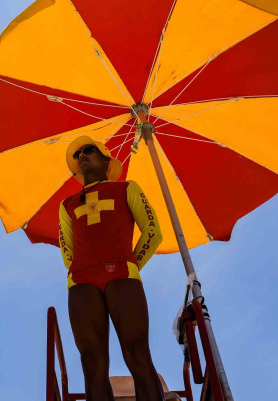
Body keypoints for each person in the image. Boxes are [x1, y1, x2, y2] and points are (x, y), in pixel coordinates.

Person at [59, 135, 164, 401]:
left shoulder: (127, 187)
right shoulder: (67, 204)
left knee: (137, 353)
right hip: (81, 282)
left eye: (88, 150)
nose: (81, 156)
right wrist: (80, 272)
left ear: (106, 159)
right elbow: (67, 249)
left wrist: (129, 264)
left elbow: (153, 232)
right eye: (77, 154)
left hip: (122, 275)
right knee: (91, 363)